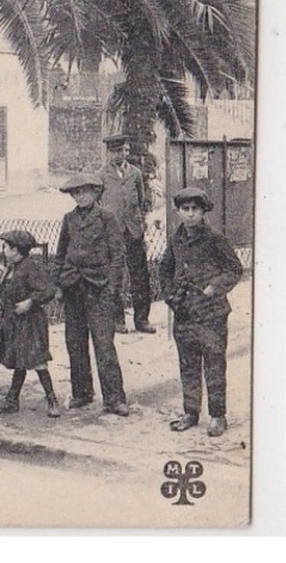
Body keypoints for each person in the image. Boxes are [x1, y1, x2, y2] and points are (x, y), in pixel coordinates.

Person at [159, 186, 243, 437]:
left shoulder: (215, 238)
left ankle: (218, 416)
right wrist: (170, 294)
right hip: (184, 312)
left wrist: (213, 288)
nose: (191, 214)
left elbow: (234, 269)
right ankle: (190, 412)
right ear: (178, 212)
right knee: (188, 365)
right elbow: (165, 269)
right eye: (185, 209)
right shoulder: (176, 239)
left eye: (196, 209)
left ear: (204, 211)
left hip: (211, 314)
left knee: (214, 365)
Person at [52, 173, 129, 417]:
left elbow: (118, 256)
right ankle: (82, 392)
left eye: (84, 191)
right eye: (75, 193)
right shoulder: (69, 219)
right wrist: (58, 285)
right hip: (74, 287)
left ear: (95, 192)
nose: (80, 196)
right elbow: (61, 253)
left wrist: (112, 288)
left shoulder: (107, 218)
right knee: (75, 342)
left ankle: (114, 398)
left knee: (104, 344)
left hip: (99, 288)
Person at [0, 230, 60, 417]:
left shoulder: (31, 267)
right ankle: (12, 400)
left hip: (32, 323)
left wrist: (30, 302)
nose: (3, 250)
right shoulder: (11, 269)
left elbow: (48, 290)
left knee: (38, 362)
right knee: (20, 360)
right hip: (16, 324)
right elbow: (8, 292)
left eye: (6, 247)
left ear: (16, 250)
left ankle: (52, 400)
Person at [100, 134, 154, 334]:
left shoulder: (136, 174)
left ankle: (142, 320)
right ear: (109, 153)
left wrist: (140, 223)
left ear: (127, 151)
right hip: (113, 234)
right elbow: (98, 206)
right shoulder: (102, 175)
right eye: (115, 151)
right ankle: (118, 320)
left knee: (140, 276)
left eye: (122, 150)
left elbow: (141, 201)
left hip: (134, 232)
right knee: (115, 276)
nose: (119, 154)